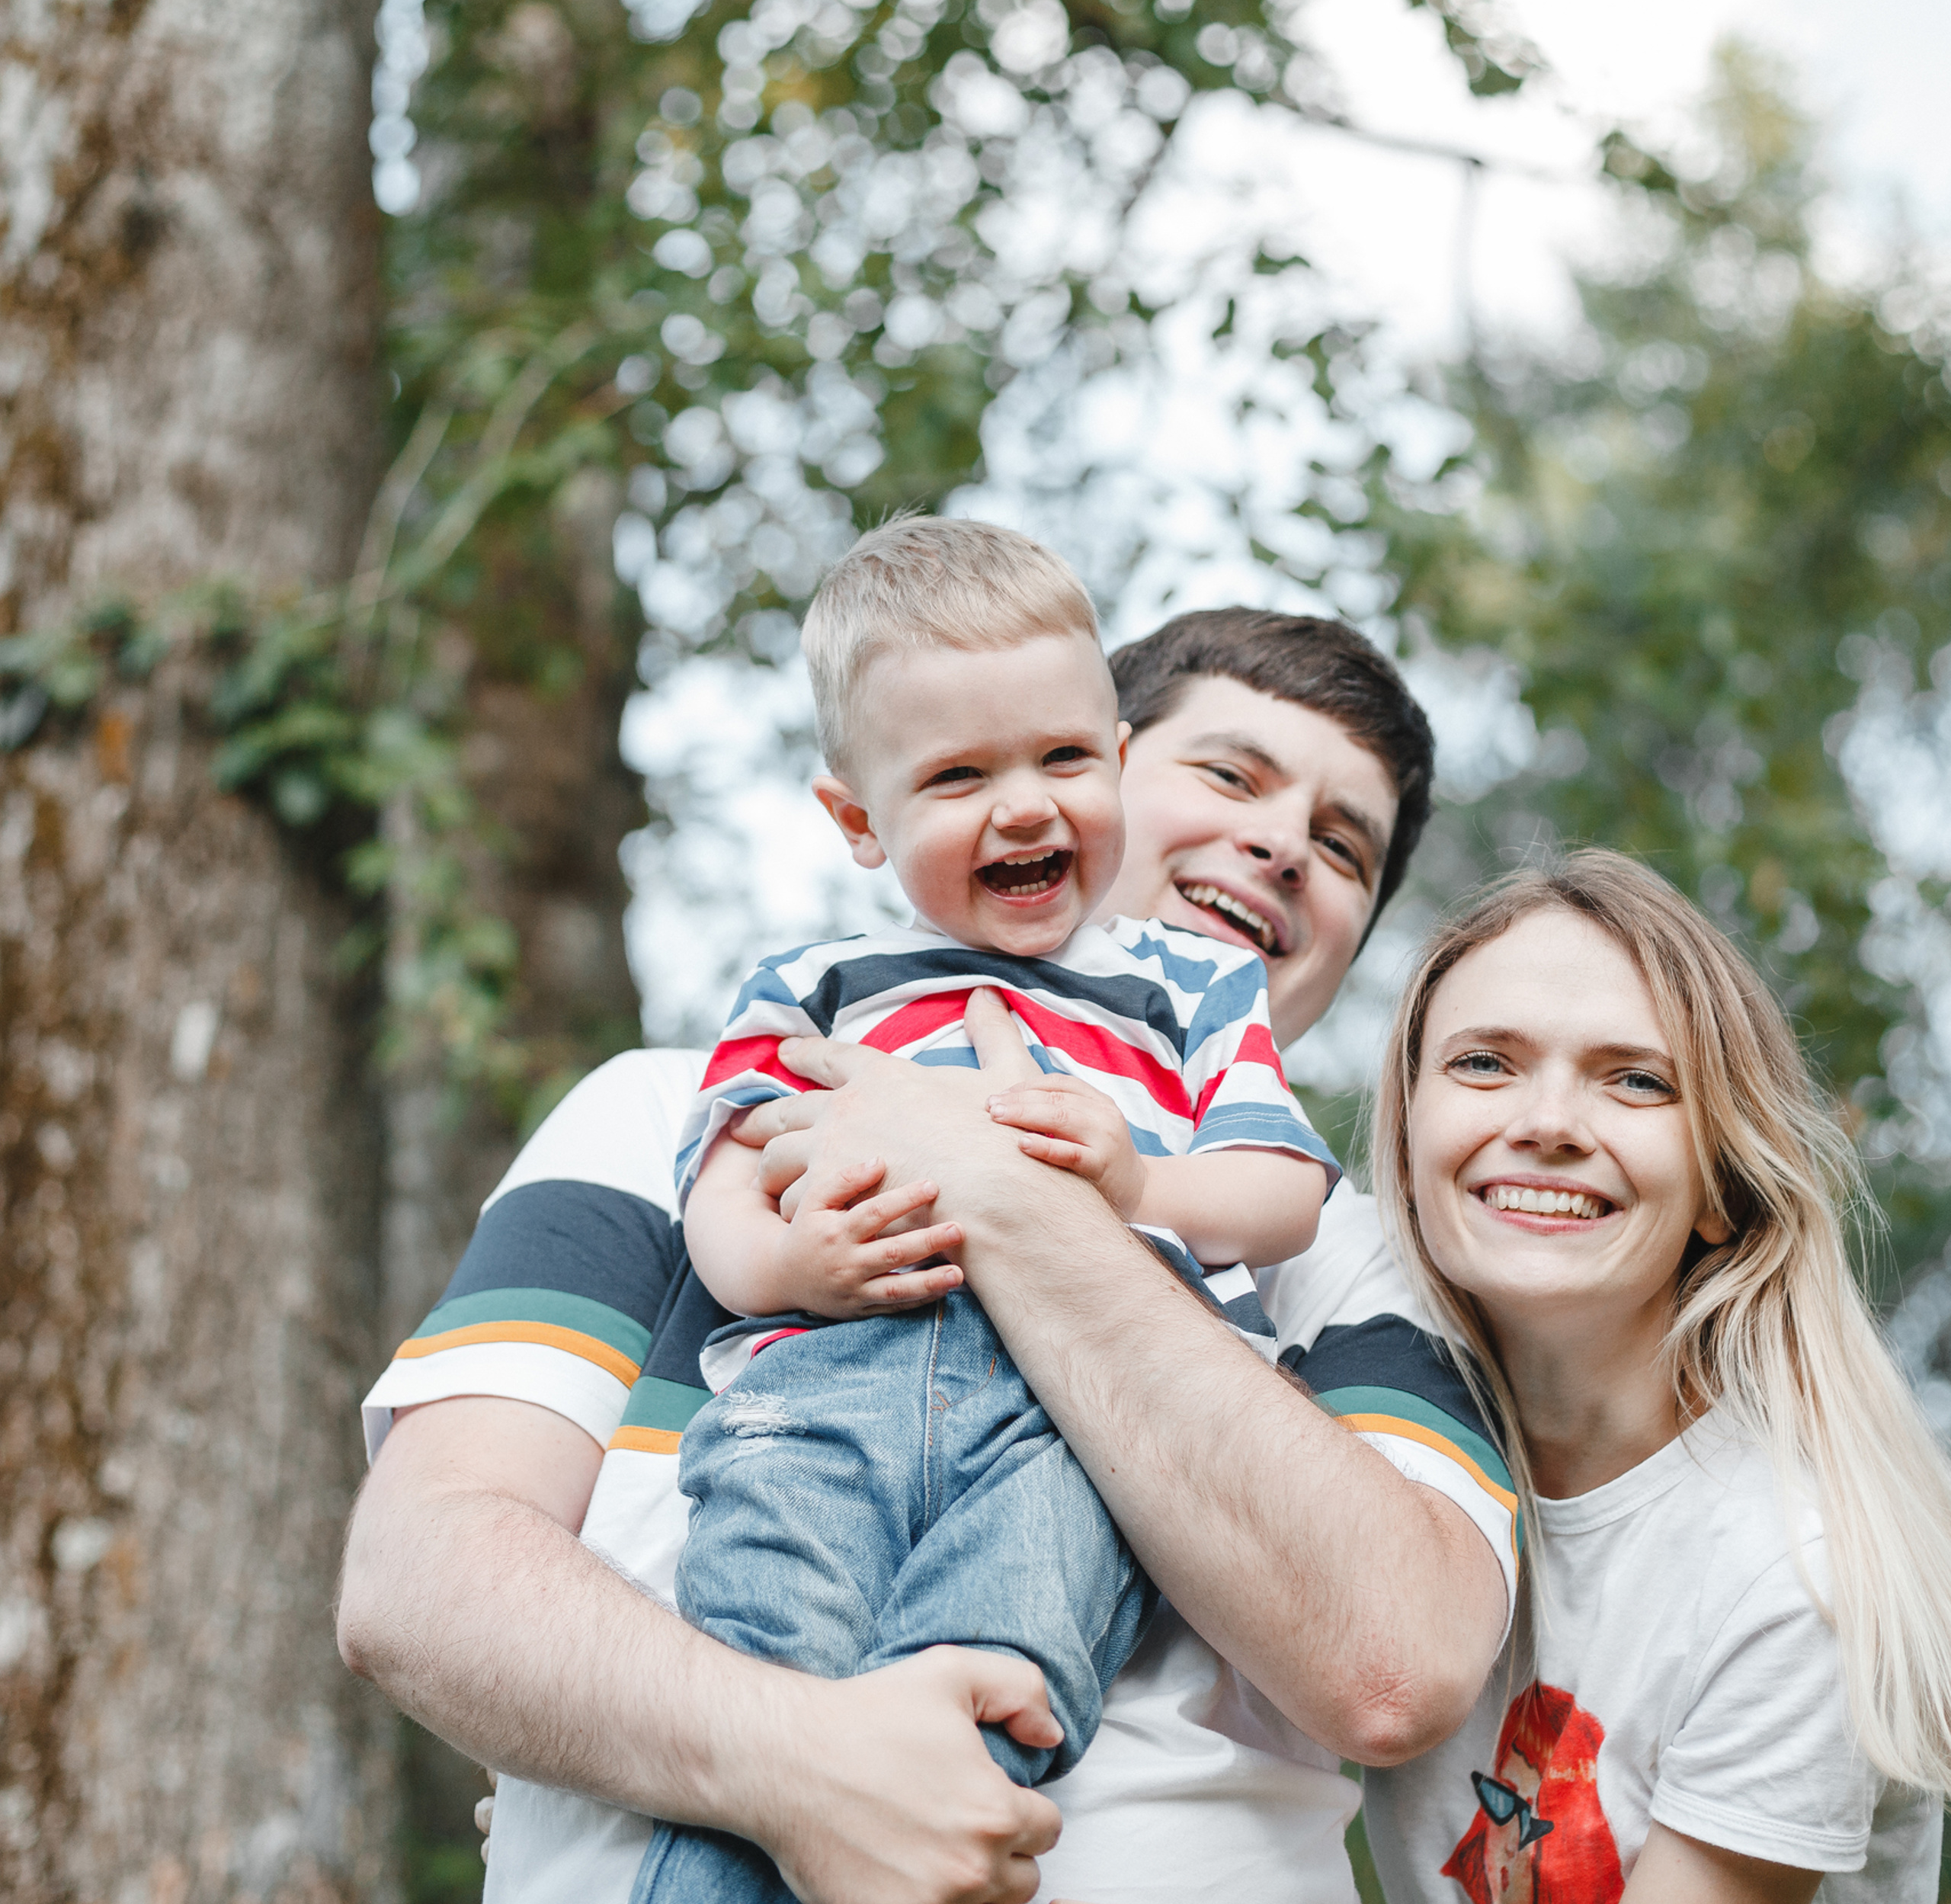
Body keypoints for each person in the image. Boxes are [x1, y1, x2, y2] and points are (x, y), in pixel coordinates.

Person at [336, 600, 1516, 1904]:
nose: (1284, 843)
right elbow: (419, 1575)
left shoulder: (1365, 1259)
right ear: (1103, 768)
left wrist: (1001, 1186)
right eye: (1231, 775)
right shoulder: (672, 1115)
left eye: (1344, 844)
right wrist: (804, 1767)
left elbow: (1394, 1667)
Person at [642, 521, 1336, 1899]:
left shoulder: (1190, 992)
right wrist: (799, 1264)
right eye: (959, 777)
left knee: (996, 1683)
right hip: (828, 1388)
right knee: (765, 1688)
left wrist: (1135, 1183)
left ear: (1120, 764)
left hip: (1084, 1421)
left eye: (1064, 760)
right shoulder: (817, 982)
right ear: (857, 819)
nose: (1025, 809)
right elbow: (719, 1186)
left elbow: (1279, 1196)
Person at [1357, 850, 1951, 1902]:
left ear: (1720, 1188)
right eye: (1485, 1064)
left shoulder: (1792, 1578)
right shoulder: (1371, 1446)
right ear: (1407, 1142)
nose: (1545, 1123)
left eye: (1635, 1079)